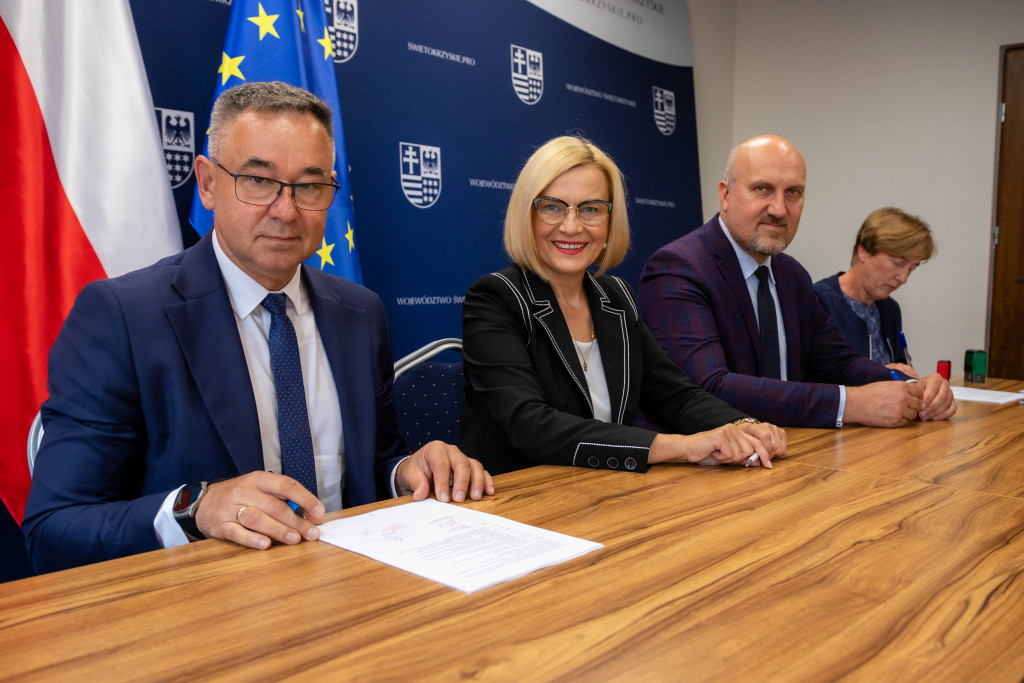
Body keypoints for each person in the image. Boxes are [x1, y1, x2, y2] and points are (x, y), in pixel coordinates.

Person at [23, 82, 493, 573]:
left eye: (309, 186)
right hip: (206, 601)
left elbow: (369, 467)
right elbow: (54, 529)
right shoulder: (122, 316)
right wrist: (196, 508)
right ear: (207, 183)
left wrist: (406, 472)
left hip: (353, 587)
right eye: (257, 180)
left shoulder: (360, 312)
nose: (286, 211)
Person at [458, 136, 786, 477]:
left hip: (605, 491)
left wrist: (743, 425)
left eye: (590, 209)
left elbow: (674, 395)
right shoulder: (495, 298)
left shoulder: (616, 296)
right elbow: (531, 425)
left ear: (609, 220)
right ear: (527, 214)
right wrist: (683, 447)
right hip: (518, 496)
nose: (571, 226)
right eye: (552, 207)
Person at [637, 134, 955, 429]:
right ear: (726, 195)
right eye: (762, 189)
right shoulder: (679, 268)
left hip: (791, 452)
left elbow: (837, 361)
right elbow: (706, 388)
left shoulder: (792, 275)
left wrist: (912, 387)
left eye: (793, 193)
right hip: (701, 463)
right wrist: (849, 404)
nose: (779, 209)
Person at [814, 207, 934, 378]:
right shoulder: (819, 301)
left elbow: (901, 368)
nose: (904, 278)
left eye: (911, 269)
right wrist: (880, 374)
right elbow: (813, 382)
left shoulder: (890, 309)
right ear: (864, 251)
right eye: (898, 263)